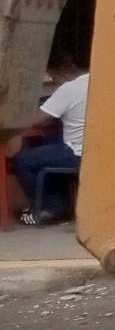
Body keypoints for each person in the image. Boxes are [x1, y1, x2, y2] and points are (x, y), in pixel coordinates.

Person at [10, 58, 86, 225]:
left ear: (61, 72)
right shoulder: (102, 84)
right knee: (52, 145)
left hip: (76, 154)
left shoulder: (69, 89)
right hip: (100, 153)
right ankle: (61, 206)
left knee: (23, 160)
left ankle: (50, 209)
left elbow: (37, 119)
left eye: (53, 77)